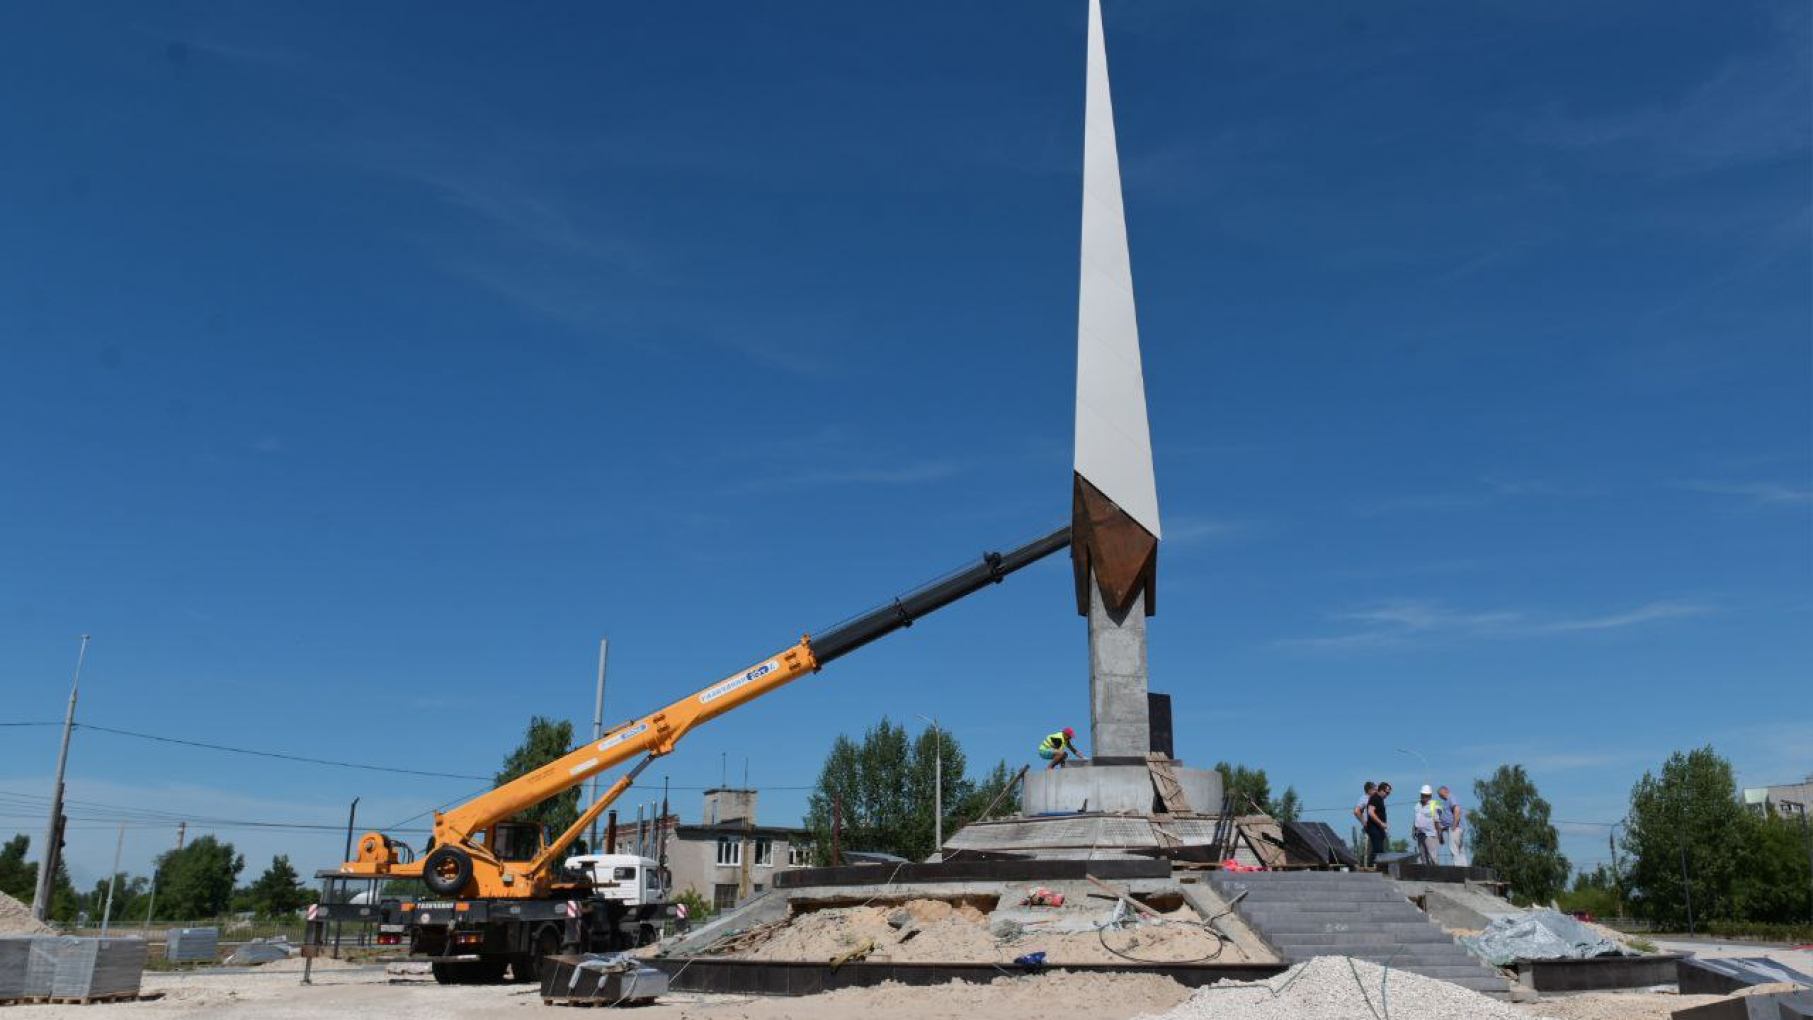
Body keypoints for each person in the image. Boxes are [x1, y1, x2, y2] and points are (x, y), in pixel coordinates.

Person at [1438, 784, 1468, 866]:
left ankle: (1459, 872)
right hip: (1456, 828)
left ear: (1446, 790)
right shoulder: (1447, 800)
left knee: (1454, 851)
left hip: (1455, 828)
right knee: (1460, 851)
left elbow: (1457, 810)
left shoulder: (1451, 797)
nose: (1440, 796)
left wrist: (1454, 826)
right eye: (1439, 795)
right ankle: (1464, 872)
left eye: (1441, 794)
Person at [1412, 785, 1441, 865]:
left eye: (1426, 795)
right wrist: (1413, 830)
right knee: (1423, 857)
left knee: (1433, 857)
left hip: (1430, 835)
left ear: (1430, 796)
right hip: (1420, 834)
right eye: (1422, 794)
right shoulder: (1417, 805)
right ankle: (1426, 875)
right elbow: (1416, 819)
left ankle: (1436, 874)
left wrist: (1440, 834)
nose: (1423, 796)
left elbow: (1437, 821)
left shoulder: (1434, 805)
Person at [1364, 781, 1391, 864]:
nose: (1388, 795)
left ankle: (1374, 867)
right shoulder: (1374, 798)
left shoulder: (1380, 799)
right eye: (1387, 792)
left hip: (1379, 829)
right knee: (1378, 850)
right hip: (1374, 828)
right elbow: (1370, 812)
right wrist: (1381, 823)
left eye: (1389, 793)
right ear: (1381, 790)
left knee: (1379, 850)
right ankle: (1372, 866)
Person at [1353, 781, 1376, 861]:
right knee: (1368, 849)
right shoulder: (1364, 799)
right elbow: (1356, 811)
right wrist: (1364, 822)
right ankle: (1368, 867)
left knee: (1376, 850)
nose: (1376, 790)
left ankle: (1374, 866)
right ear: (1369, 790)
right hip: (1369, 827)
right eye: (1374, 789)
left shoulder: (1374, 799)